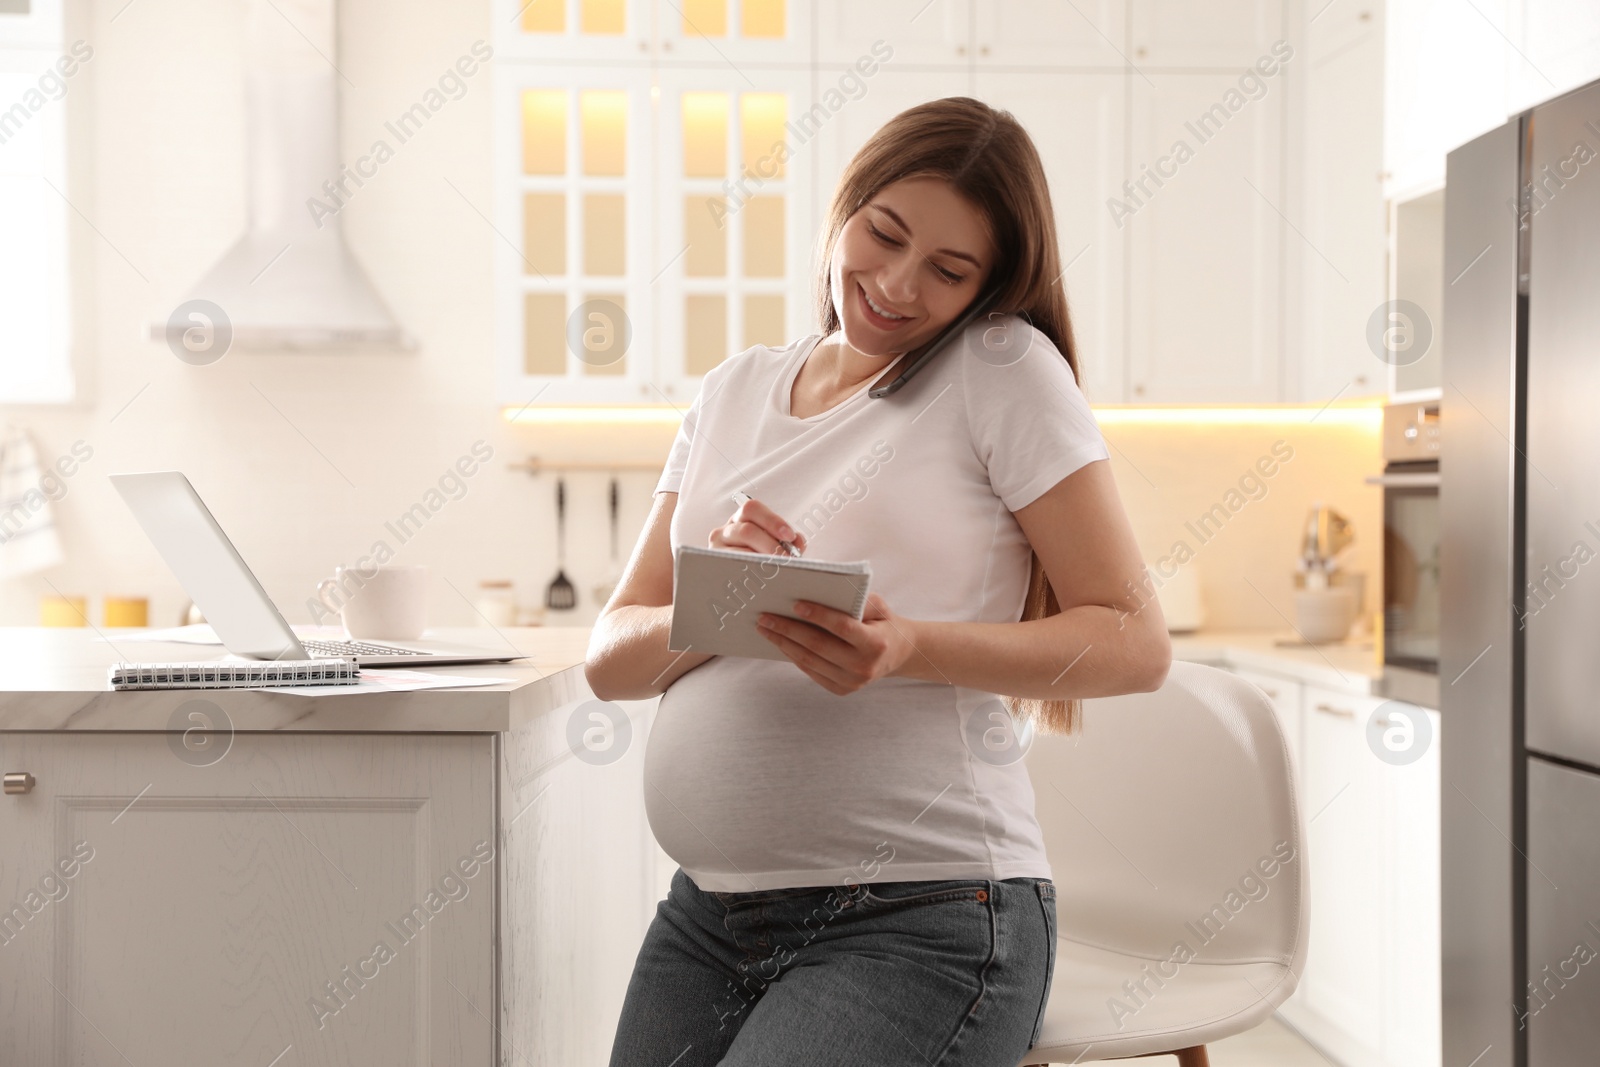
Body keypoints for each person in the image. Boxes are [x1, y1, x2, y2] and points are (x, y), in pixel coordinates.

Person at [585, 95, 1172, 1066]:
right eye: (883, 234)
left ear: (992, 284)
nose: (897, 285)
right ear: (843, 208)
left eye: (948, 270)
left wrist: (908, 646)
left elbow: (1132, 639)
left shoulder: (1000, 369)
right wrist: (725, 597)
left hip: (924, 913)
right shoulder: (733, 389)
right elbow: (612, 660)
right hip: (708, 914)